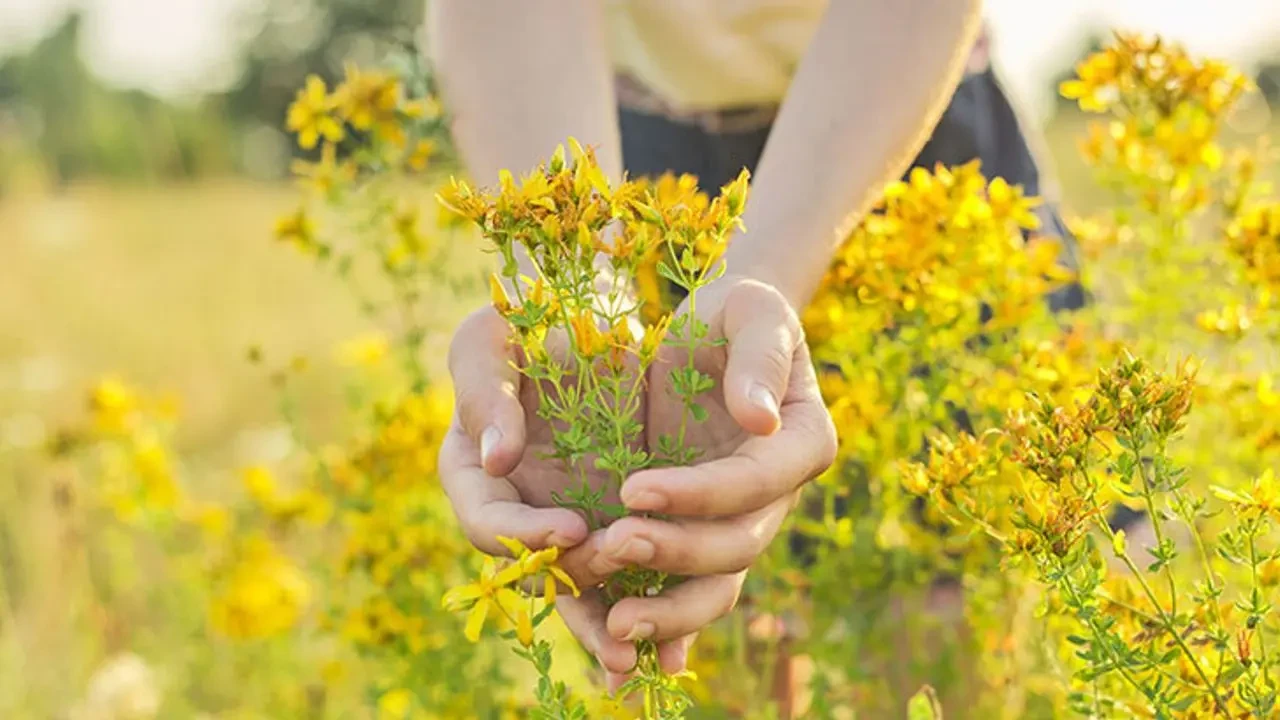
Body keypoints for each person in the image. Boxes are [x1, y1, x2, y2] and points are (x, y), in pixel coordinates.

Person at [427, 0, 1086, 690]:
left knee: (933, 632)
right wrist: (569, 300)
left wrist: (762, 274)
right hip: (625, 141)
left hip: (900, 118)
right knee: (708, 647)